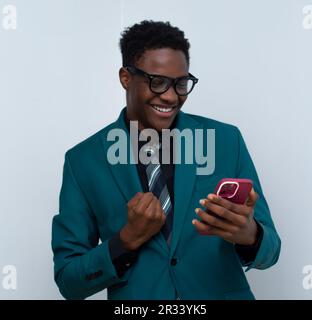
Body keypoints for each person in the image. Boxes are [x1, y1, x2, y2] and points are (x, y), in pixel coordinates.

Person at [51, 20, 281, 300]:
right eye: (157, 82)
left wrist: (251, 235)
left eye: (181, 84)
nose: (171, 96)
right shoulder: (83, 162)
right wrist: (126, 240)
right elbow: (69, 281)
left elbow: (272, 252)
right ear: (126, 77)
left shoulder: (225, 141)